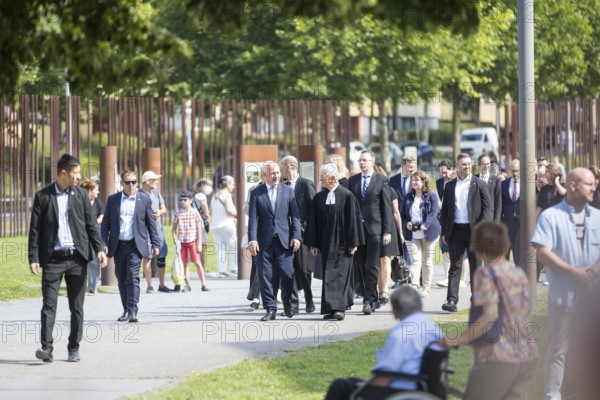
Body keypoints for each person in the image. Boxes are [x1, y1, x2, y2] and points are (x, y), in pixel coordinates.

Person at [439, 221, 539, 400]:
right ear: (506, 244)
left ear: (477, 247)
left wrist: (456, 339)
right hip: (526, 355)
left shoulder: (486, 275)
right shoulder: (519, 274)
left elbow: (490, 316)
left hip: (498, 356)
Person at [28, 154, 107, 363]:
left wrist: (99, 248)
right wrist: (33, 257)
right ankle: (46, 347)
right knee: (49, 304)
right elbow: (34, 230)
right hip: (53, 260)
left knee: (76, 307)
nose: (80, 176)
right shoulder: (43, 196)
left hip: (77, 259)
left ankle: (74, 347)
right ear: (63, 173)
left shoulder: (81, 195)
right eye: (76, 173)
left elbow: (91, 225)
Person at [531, 167, 600, 400]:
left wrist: (590, 271)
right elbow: (543, 251)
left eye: (594, 184)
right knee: (557, 351)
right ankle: (552, 396)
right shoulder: (551, 216)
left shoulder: (598, 217)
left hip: (594, 301)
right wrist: (573, 272)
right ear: (572, 185)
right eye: (588, 184)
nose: (594, 187)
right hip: (563, 299)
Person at [324, 286, 444, 400]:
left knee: (340, 386)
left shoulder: (401, 334)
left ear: (396, 312)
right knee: (351, 381)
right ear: (420, 305)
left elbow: (385, 377)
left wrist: (363, 388)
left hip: (401, 390)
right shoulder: (434, 329)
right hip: (424, 389)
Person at [306, 163, 364, 320]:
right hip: (325, 243)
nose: (321, 181)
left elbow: (354, 220)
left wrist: (354, 242)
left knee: (340, 276)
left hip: (343, 244)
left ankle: (339, 309)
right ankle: (330, 309)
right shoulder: (319, 198)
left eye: (323, 178)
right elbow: (313, 222)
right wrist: (313, 243)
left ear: (332, 178)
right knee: (328, 275)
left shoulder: (347, 196)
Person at [101, 169, 160, 323]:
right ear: (122, 184)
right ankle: (126, 309)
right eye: (128, 182)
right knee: (121, 278)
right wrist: (103, 243)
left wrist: (155, 243)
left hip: (136, 245)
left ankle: (133, 310)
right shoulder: (113, 200)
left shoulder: (144, 199)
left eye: (134, 182)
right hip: (118, 245)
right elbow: (105, 224)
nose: (131, 185)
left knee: (132, 278)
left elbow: (150, 224)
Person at [247, 161, 301, 321]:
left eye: (277, 172)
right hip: (264, 242)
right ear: (264, 175)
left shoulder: (288, 191)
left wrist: (296, 236)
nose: (276, 175)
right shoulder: (256, 193)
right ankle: (270, 309)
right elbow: (252, 220)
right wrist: (252, 240)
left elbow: (295, 217)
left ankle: (288, 304)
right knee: (266, 276)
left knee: (286, 273)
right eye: (272, 173)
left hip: (284, 241)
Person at [439, 153, 492, 312]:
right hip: (455, 231)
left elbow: (488, 208)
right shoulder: (449, 186)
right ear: (457, 167)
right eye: (464, 164)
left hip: (474, 231)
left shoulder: (479, 184)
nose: (467, 167)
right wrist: (444, 232)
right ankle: (451, 300)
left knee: (476, 266)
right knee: (454, 266)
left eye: (469, 164)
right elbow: (446, 211)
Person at [348, 150, 392, 315]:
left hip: (375, 229)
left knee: (371, 264)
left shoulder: (382, 180)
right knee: (360, 265)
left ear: (372, 162)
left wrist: (387, 231)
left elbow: (386, 207)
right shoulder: (353, 181)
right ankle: (372, 298)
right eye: (360, 160)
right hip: (358, 230)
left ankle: (368, 301)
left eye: (364, 160)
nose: (361, 163)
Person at [280, 155, 317, 314]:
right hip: (284, 234)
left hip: (302, 234)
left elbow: (313, 211)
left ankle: (309, 298)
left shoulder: (306, 184)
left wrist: (305, 229)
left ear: (288, 167)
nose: (280, 171)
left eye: (281, 167)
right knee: (288, 269)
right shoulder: (281, 186)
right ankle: (293, 305)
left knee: (303, 268)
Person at [400, 171, 441, 299]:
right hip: (412, 234)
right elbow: (402, 214)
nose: (414, 182)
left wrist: (425, 224)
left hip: (429, 232)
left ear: (424, 182)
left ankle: (426, 288)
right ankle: (414, 285)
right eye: (413, 180)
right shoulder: (407, 197)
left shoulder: (432, 196)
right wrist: (406, 223)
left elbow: (434, 213)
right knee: (415, 260)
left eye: (417, 180)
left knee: (427, 262)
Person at [140, 170, 172, 293]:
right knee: (147, 257)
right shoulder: (139, 195)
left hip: (158, 229)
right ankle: (149, 285)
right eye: (154, 180)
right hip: (145, 231)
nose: (157, 182)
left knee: (161, 256)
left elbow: (164, 209)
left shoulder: (156, 193)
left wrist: (158, 213)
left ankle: (162, 285)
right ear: (147, 181)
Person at [172, 190, 209, 292]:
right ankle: (187, 284)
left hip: (192, 242)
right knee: (184, 263)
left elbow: (199, 229)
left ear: (191, 201)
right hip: (182, 243)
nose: (183, 202)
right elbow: (174, 228)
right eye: (181, 200)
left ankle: (203, 284)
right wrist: (174, 237)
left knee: (197, 262)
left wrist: (199, 243)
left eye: (185, 200)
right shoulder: (178, 213)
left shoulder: (195, 212)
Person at [211, 175, 238, 277]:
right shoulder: (227, 195)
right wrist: (238, 214)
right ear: (228, 184)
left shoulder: (215, 195)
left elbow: (210, 211)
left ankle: (222, 271)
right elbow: (229, 210)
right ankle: (233, 269)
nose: (233, 186)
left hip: (215, 226)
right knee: (233, 246)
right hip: (227, 224)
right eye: (233, 184)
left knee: (220, 249)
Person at [80, 179, 105, 295]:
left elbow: (102, 214)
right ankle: (80, 287)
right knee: (82, 261)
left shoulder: (97, 202)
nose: (98, 192)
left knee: (95, 260)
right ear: (90, 191)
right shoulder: (80, 202)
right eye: (96, 190)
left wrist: (95, 221)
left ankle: (92, 287)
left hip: (94, 234)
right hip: (82, 235)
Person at [435, 159, 455, 288]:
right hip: (445, 218)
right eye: (441, 173)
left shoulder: (457, 180)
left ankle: (461, 278)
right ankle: (447, 277)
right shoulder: (439, 183)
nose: (444, 175)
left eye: (445, 172)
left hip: (458, 219)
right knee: (445, 246)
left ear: (451, 168)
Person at [500, 159, 521, 264]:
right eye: (513, 171)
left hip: (520, 223)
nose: (515, 173)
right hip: (506, 222)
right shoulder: (504, 184)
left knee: (518, 252)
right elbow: (500, 203)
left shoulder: (527, 184)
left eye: (517, 170)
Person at [475, 154, 502, 221]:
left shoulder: (496, 180)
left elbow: (498, 201)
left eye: (488, 164)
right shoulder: (473, 179)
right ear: (479, 165)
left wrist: (497, 220)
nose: (486, 166)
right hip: (476, 218)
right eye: (484, 164)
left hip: (490, 217)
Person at [193, 178, 213, 266]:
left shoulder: (195, 196)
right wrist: (209, 222)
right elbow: (206, 212)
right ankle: (202, 266)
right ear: (201, 187)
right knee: (203, 244)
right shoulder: (202, 196)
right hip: (200, 223)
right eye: (206, 185)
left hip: (193, 222)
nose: (209, 187)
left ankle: (199, 265)